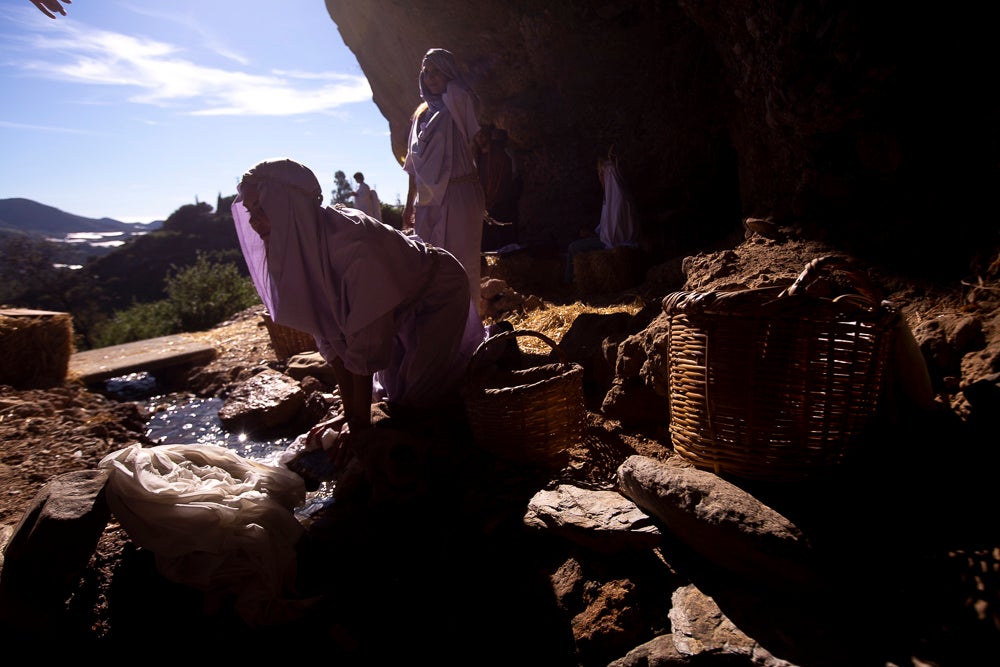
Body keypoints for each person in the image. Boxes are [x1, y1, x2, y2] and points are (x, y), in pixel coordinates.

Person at [232, 157, 486, 460]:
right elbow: (331, 335)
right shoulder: (296, 247)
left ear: (288, 204)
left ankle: (487, 365)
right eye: (250, 211)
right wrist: (349, 413)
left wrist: (360, 425)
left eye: (261, 209)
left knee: (418, 397)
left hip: (437, 291)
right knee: (387, 395)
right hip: (397, 305)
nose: (253, 221)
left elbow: (367, 339)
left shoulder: (354, 242)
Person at [403, 48, 486, 314]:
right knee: (431, 265)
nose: (430, 77)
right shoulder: (420, 116)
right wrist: (408, 205)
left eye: (436, 70)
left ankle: (469, 327)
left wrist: (451, 76)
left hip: (460, 192)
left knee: (463, 263)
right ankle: (439, 327)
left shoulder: (457, 101)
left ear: (448, 71)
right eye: (426, 72)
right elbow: (413, 166)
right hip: (427, 202)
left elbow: (461, 89)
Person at [564, 156, 638, 283]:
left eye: (601, 174)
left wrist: (599, 236)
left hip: (615, 244)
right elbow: (609, 225)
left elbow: (612, 234)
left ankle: (568, 282)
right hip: (612, 240)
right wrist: (595, 232)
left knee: (573, 247)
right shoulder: (617, 197)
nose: (600, 179)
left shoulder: (617, 200)